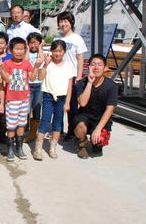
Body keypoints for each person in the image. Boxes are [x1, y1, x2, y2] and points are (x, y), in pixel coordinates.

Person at [0, 37, 42, 162]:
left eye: (21, 49)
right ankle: (10, 149)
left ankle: (19, 148)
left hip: (24, 99)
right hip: (12, 100)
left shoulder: (27, 63)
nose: (19, 51)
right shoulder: (7, 63)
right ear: (11, 50)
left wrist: (36, 67)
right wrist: (1, 69)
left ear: (25, 50)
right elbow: (6, 80)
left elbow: (33, 79)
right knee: (11, 126)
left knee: (22, 124)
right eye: (16, 49)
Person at [34, 40, 74, 161]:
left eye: (60, 51)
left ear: (64, 52)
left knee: (58, 122)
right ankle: (38, 148)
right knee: (45, 121)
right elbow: (40, 77)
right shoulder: (48, 64)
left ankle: (52, 148)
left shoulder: (68, 66)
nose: (57, 53)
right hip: (48, 96)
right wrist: (45, 65)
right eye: (55, 50)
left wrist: (67, 102)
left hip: (61, 97)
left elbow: (69, 86)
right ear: (51, 51)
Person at [74, 54, 117, 159]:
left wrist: (98, 129)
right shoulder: (81, 83)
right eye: (93, 65)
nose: (96, 67)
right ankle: (82, 144)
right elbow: (82, 103)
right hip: (85, 116)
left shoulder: (111, 86)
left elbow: (110, 110)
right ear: (88, 67)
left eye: (99, 65)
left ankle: (96, 143)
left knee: (99, 145)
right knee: (80, 127)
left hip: (101, 119)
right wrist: (89, 83)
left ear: (105, 68)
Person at [55, 11, 88, 139]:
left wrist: (79, 77)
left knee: (72, 106)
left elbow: (80, 59)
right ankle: (59, 129)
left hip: (72, 76)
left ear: (71, 23)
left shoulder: (77, 39)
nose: (63, 24)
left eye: (65, 21)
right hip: (59, 76)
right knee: (59, 103)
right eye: (61, 21)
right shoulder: (57, 38)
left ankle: (71, 130)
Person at [24, 32, 44, 143]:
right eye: (31, 43)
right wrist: (27, 49)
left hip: (39, 85)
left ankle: (33, 132)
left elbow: (41, 60)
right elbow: (26, 62)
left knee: (37, 107)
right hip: (28, 85)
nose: (33, 46)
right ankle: (25, 128)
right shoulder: (27, 53)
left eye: (35, 43)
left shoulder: (41, 53)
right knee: (27, 108)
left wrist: (40, 48)